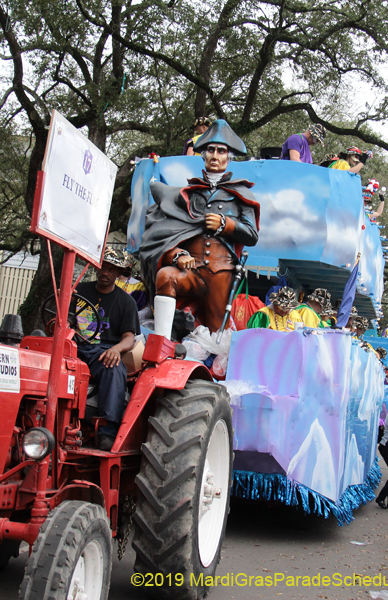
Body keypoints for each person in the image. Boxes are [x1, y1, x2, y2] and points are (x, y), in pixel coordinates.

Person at [139, 119, 260, 336]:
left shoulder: (241, 194)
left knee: (216, 333)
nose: (215, 155)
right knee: (166, 276)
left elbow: (251, 235)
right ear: (203, 155)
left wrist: (226, 225)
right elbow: (165, 232)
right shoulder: (187, 193)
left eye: (221, 151)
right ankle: (162, 342)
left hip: (220, 273)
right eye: (210, 150)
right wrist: (176, 255)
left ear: (228, 156)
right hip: (190, 270)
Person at [74, 247, 140, 451]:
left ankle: (107, 431)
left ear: (119, 273)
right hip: (74, 344)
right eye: (104, 267)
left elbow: (129, 337)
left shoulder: (126, 302)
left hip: (103, 350)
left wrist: (117, 350)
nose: (106, 273)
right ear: (96, 267)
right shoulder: (78, 291)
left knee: (113, 367)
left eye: (112, 270)